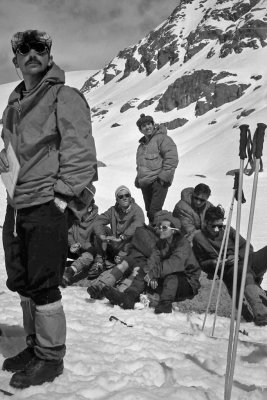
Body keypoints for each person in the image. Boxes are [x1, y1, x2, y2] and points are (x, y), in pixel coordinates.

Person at [0, 30, 97, 389]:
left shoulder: (63, 96)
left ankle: (51, 357)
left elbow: (80, 150)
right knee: (22, 281)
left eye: (39, 47)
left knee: (43, 283)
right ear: (16, 61)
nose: (32, 54)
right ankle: (35, 345)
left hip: (46, 202)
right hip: (17, 205)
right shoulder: (11, 108)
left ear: (49, 55)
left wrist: (63, 198)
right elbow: (12, 155)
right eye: (23, 50)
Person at [103, 211, 201, 313]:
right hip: (166, 275)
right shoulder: (162, 243)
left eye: (164, 228)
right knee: (143, 270)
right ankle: (129, 296)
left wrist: (154, 273)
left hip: (187, 282)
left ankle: (165, 304)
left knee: (171, 276)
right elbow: (153, 259)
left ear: (174, 231)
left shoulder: (182, 244)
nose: (160, 230)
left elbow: (173, 264)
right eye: (160, 227)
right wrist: (150, 273)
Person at [192, 205, 267, 326]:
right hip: (229, 269)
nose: (217, 229)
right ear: (206, 223)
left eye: (219, 226)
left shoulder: (228, 230)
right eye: (213, 226)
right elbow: (202, 263)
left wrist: (237, 255)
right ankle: (260, 312)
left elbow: (246, 246)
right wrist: (215, 263)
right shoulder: (199, 238)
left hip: (244, 260)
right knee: (244, 274)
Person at [89, 185, 145, 278]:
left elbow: (138, 224)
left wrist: (123, 237)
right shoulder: (113, 210)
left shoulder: (137, 210)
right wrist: (102, 236)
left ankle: (116, 265)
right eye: (121, 196)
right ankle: (99, 263)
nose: (124, 198)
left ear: (130, 197)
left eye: (127, 195)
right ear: (117, 200)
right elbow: (98, 221)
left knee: (124, 261)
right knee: (101, 232)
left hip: (128, 246)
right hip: (115, 243)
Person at [135, 114, 178, 224]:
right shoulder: (141, 146)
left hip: (158, 182)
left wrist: (163, 178)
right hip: (146, 184)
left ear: (153, 125)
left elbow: (171, 158)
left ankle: (162, 235)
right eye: (144, 126)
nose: (147, 127)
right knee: (149, 211)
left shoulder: (162, 138)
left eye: (149, 124)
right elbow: (141, 164)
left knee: (155, 211)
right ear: (140, 130)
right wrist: (138, 178)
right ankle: (153, 233)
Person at [61, 198, 99, 287]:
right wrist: (73, 244)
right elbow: (69, 233)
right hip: (76, 249)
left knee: (89, 254)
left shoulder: (98, 221)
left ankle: (69, 273)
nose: (79, 208)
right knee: (59, 244)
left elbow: (96, 245)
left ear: (89, 208)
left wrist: (80, 245)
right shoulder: (76, 218)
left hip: (90, 253)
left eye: (82, 206)